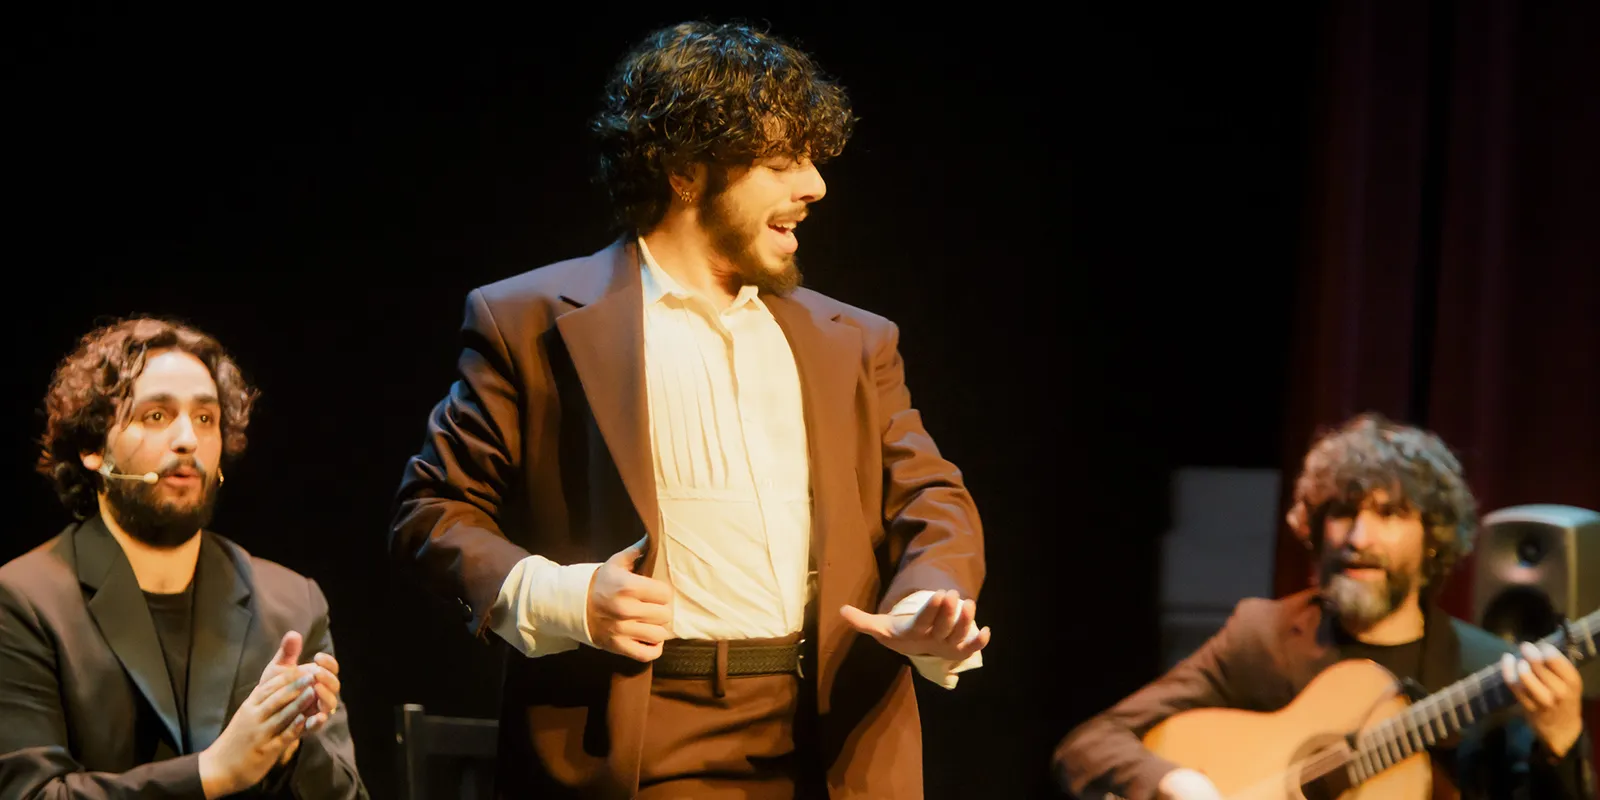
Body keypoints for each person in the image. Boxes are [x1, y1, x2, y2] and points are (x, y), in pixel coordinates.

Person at [389, 20, 989, 799]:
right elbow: (432, 514)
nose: (815, 186)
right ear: (682, 173)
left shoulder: (853, 340)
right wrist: (568, 599)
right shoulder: (531, 319)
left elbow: (931, 497)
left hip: (832, 738)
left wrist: (926, 596)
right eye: (782, 161)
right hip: (639, 740)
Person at [1053, 412, 1596, 799]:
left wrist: (1563, 739)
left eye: (1388, 514)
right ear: (1316, 526)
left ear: (1433, 537)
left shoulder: (1485, 669)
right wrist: (1177, 782)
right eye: (1342, 512)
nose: (1358, 537)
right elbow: (1091, 744)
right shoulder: (1262, 635)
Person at [0, 318, 366, 798]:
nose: (187, 440)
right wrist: (211, 772)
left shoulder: (292, 604)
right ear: (92, 447)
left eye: (205, 419)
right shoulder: (24, 599)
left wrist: (296, 746)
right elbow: (30, 794)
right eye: (156, 416)